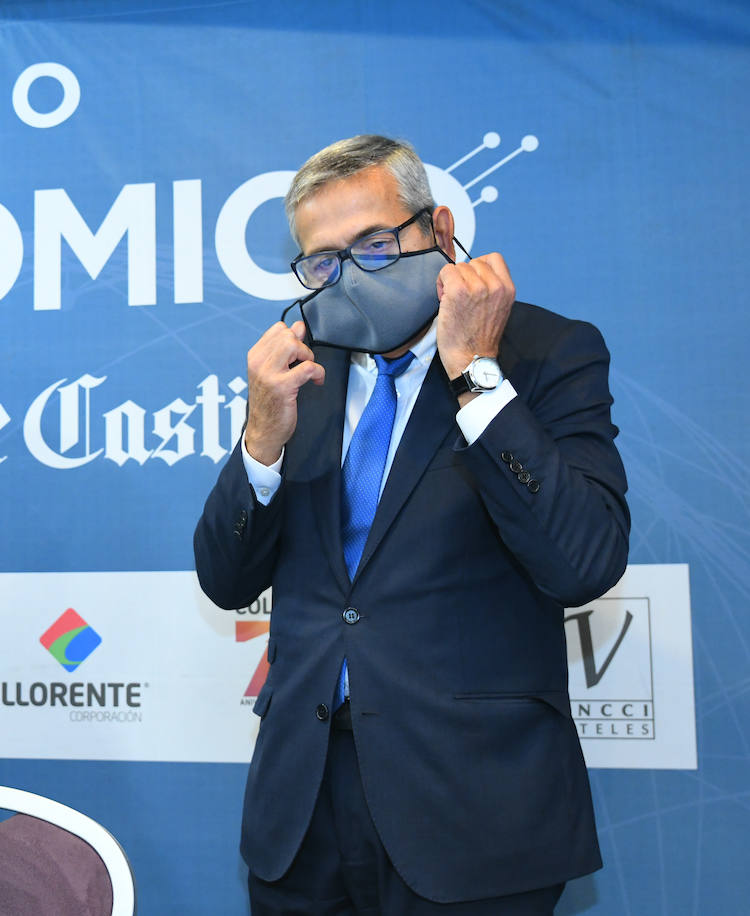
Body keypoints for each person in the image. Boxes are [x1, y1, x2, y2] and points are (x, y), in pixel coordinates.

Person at [194, 135, 630, 914]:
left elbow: (584, 560)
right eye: (323, 261)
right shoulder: (302, 374)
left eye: (375, 243)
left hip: (476, 812)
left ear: (441, 228)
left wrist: (478, 375)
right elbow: (226, 581)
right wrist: (260, 437)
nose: (351, 274)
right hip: (302, 810)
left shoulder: (548, 352)